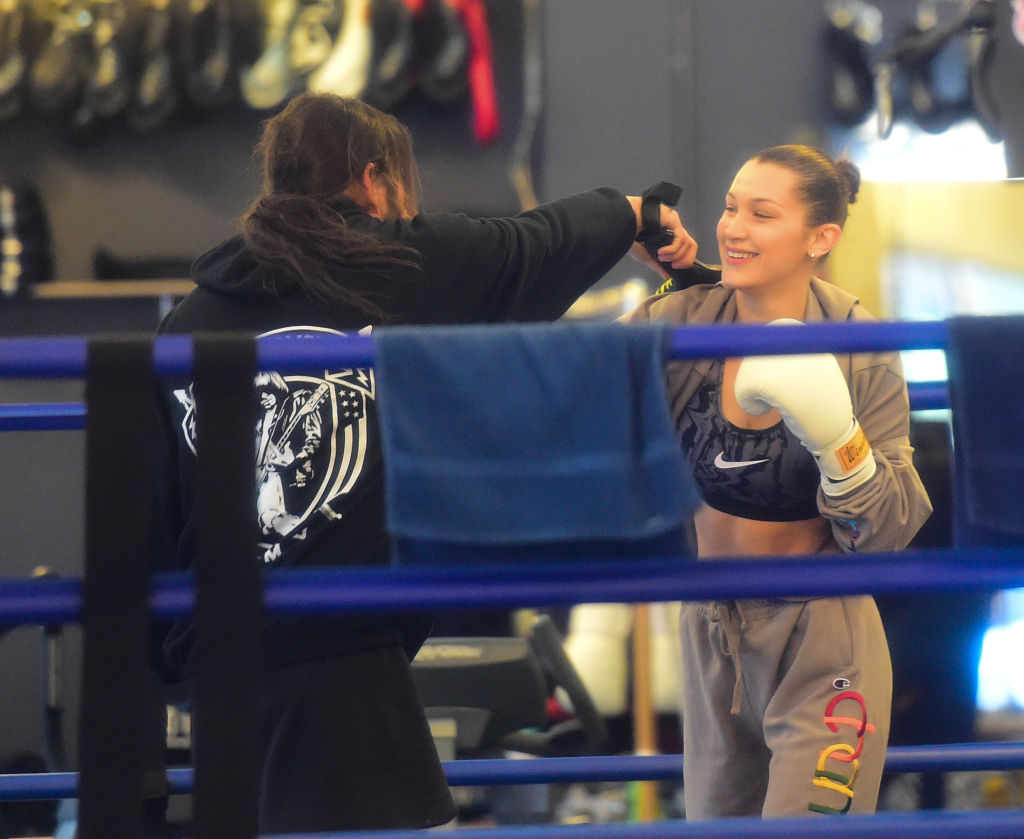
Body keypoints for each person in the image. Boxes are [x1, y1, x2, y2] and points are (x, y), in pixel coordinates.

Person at [152, 90, 697, 835]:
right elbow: (535, 246)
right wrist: (637, 212)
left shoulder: (189, 319)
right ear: (373, 181)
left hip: (220, 656)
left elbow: (159, 503)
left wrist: (161, 661)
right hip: (336, 644)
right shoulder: (394, 264)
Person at [623, 144, 932, 819]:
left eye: (761, 214)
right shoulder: (681, 321)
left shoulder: (859, 343)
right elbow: (572, 381)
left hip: (822, 637)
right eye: (730, 207)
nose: (733, 227)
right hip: (711, 629)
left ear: (821, 238)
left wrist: (839, 442)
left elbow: (888, 532)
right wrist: (623, 237)